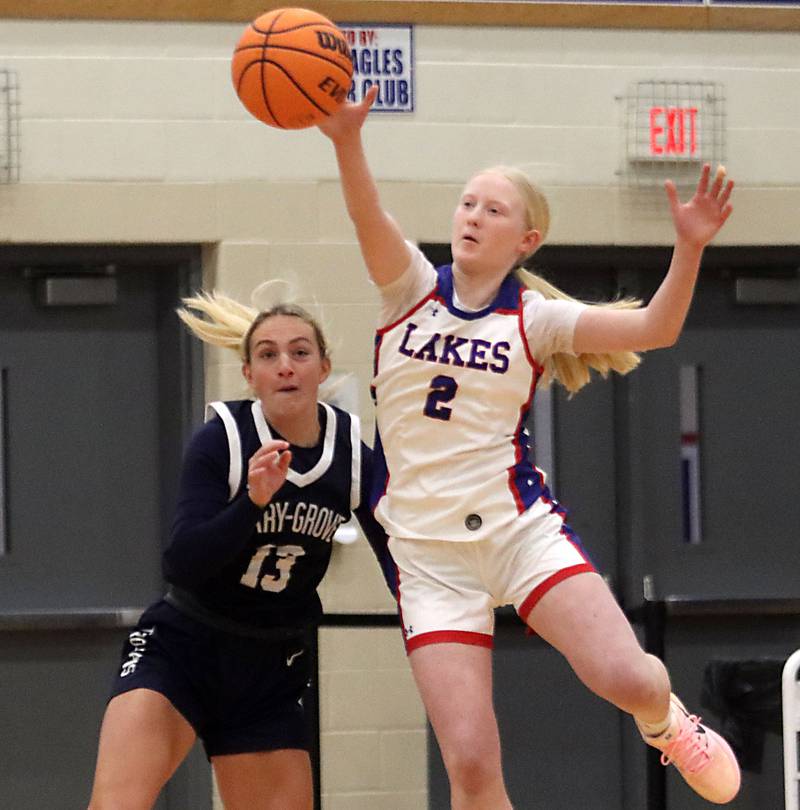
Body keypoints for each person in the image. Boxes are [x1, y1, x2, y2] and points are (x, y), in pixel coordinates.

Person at [316, 86, 740, 808]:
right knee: (473, 766)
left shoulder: (536, 319)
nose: (472, 216)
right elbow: (368, 216)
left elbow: (655, 332)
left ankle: (669, 725)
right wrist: (346, 141)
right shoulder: (410, 290)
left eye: (493, 209)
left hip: (517, 533)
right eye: (466, 203)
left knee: (632, 679)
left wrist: (689, 248)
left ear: (526, 241)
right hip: (426, 556)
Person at [87, 291, 392, 810]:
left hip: (269, 666)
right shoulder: (222, 439)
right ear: (250, 374)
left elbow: (401, 556)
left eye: (299, 352)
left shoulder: (352, 454)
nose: (285, 367)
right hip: (182, 647)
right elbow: (181, 561)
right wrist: (251, 502)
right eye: (268, 355)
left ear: (324, 368)